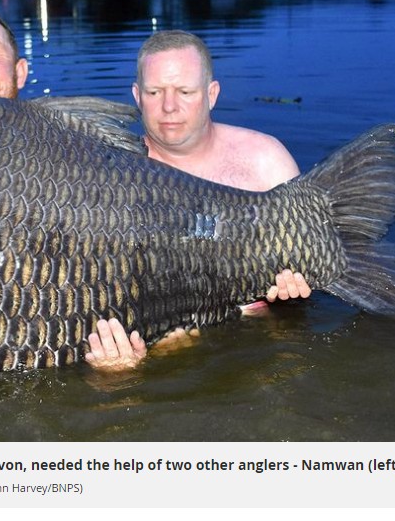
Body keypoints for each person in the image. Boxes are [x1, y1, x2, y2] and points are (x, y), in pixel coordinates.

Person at [85, 30, 312, 370]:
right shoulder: (110, 180)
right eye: (154, 92)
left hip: (262, 342)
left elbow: (312, 272)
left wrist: (297, 290)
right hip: (167, 352)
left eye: (185, 91)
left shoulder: (266, 160)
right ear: (137, 96)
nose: (169, 106)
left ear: (212, 94)